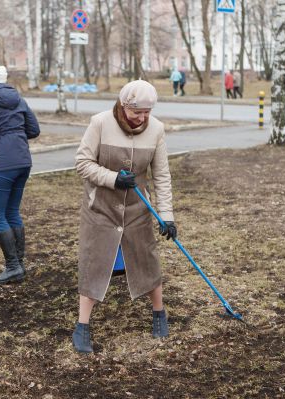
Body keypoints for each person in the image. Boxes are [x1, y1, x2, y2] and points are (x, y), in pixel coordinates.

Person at [72, 80, 177, 353]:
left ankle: (159, 314)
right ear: (123, 105)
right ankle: (83, 326)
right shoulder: (100, 123)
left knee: (147, 260)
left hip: (137, 211)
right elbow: (82, 163)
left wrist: (167, 215)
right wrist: (112, 178)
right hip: (101, 208)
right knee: (94, 263)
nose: (142, 118)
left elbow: (162, 176)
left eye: (147, 112)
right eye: (136, 112)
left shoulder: (156, 129)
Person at [0, 64, 40, 285]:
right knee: (11, 211)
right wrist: (15, 135)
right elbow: (34, 130)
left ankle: (13, 267)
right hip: (23, 161)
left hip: (4, 163)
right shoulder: (19, 99)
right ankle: (18, 265)